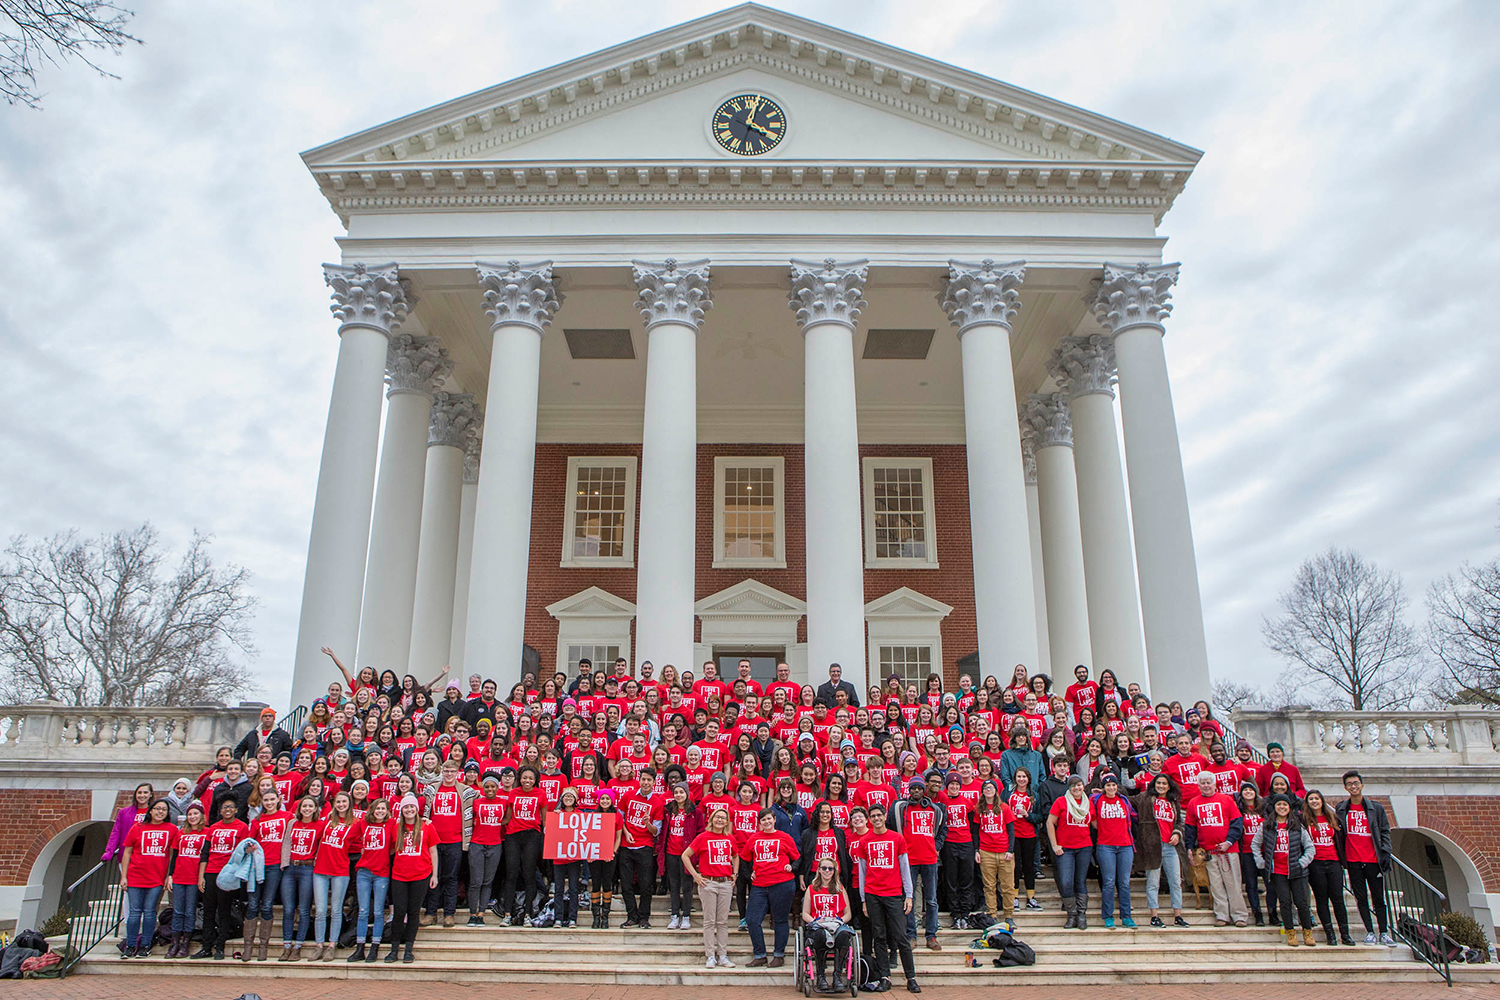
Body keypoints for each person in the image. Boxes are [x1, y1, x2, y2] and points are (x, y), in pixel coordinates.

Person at [856, 804, 920, 994]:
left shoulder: (897, 838)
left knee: (901, 937)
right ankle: (885, 977)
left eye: (879, 815)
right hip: (872, 894)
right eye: (872, 816)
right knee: (879, 937)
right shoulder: (864, 841)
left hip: (893, 894)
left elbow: (904, 868)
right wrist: (863, 900)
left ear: (884, 816)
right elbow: (862, 871)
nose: (876, 819)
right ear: (869, 818)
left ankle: (911, 977)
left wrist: (909, 895)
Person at [1337, 770, 1395, 945]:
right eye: (1349, 784)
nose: (1353, 787)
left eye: (1356, 783)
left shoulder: (1375, 808)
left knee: (1379, 898)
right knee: (1360, 898)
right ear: (1345, 787)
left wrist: (1385, 852)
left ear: (1361, 785)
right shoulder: (1342, 808)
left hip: (1373, 860)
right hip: (1353, 860)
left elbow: (1385, 831)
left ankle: (1384, 931)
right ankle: (1370, 931)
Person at [1184, 771, 1247, 927]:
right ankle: (1222, 915)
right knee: (1216, 886)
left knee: (1233, 884)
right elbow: (1191, 827)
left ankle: (1239, 915)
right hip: (1209, 853)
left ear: (1214, 784)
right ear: (1198, 785)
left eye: (1208, 782)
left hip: (1228, 851)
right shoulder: (1193, 803)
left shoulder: (1226, 800)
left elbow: (1237, 823)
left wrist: (1229, 841)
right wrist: (1190, 847)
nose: (1206, 786)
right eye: (1203, 783)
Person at [1253, 793, 1317, 947]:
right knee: (1285, 902)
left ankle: (1307, 933)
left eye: (1285, 805)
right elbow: (1255, 844)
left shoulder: (1297, 826)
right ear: (1274, 807)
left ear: (1289, 808)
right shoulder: (1266, 826)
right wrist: (1262, 862)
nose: (1282, 807)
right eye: (1279, 804)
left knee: (1301, 903)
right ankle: (1290, 932)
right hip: (1277, 871)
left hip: (1297, 871)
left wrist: (1302, 862)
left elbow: (1310, 847)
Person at [890, 777, 945, 951]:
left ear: (924, 790)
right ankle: (911, 935)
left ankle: (931, 935)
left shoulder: (935, 809)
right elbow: (891, 827)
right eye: (912, 788)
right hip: (909, 860)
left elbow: (942, 829)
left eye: (919, 788)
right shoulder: (901, 809)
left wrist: (936, 846)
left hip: (930, 859)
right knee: (909, 898)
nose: (916, 791)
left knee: (932, 900)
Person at [741, 807, 800, 967]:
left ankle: (779, 955)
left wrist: (792, 867)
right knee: (752, 920)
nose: (767, 822)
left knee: (780, 919)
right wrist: (748, 874)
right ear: (759, 823)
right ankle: (760, 954)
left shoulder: (785, 837)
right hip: (759, 885)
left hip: (782, 883)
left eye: (769, 819)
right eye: (763, 820)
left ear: (774, 820)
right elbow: (744, 858)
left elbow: (797, 858)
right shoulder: (753, 839)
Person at [192, 798, 250, 960]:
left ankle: (220, 947)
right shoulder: (213, 828)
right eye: (225, 807)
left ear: (236, 810)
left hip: (228, 874)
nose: (228, 809)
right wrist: (201, 877)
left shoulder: (242, 827)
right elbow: (205, 853)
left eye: (231, 807)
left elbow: (243, 852)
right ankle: (206, 947)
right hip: (211, 872)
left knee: (224, 911)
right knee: (208, 911)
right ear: (220, 810)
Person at [120, 797, 177, 959]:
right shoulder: (137, 828)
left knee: (150, 912)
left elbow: (172, 855)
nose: (160, 812)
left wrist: (168, 876)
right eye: (157, 808)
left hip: (156, 878)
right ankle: (130, 945)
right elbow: (127, 852)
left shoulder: (171, 829)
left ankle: (145, 945)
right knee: (134, 913)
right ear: (150, 811)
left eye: (164, 810)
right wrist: (124, 876)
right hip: (135, 876)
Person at [684, 806, 737, 968]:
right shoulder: (703, 837)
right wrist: (696, 875)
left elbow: (735, 856)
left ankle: (722, 955)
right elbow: (685, 855)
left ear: (727, 822)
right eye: (717, 817)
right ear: (711, 819)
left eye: (723, 818)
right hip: (708, 882)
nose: (720, 820)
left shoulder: (730, 838)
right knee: (709, 921)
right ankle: (710, 956)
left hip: (725, 883)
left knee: (722, 922)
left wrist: (735, 873)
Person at [389, 793, 439, 963]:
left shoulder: (427, 826)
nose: (409, 810)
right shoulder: (395, 827)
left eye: (412, 807)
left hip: (421, 874)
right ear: (401, 810)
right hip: (399, 875)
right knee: (399, 912)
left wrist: (435, 874)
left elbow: (433, 851)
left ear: (417, 809)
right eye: (406, 807)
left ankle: (408, 949)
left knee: (413, 912)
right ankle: (394, 949)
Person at [1134, 773, 1187, 928]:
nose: (1161, 786)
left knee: (1176, 882)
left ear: (1169, 786)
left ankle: (1178, 915)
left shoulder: (1173, 802)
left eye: (1164, 783)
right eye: (1158, 783)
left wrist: (1177, 833)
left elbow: (1179, 822)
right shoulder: (1145, 798)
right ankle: (1154, 916)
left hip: (1171, 846)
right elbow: (1126, 798)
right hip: (1152, 847)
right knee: (1153, 883)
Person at [312, 790, 358, 961]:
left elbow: (362, 841)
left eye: (344, 802)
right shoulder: (326, 820)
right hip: (321, 870)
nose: (341, 805)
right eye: (338, 802)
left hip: (340, 870)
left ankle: (331, 945)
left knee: (337, 909)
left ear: (349, 804)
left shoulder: (354, 823)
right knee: (321, 910)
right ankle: (318, 945)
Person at [1303, 789, 1353, 945]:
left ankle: (1345, 934)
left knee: (1338, 899)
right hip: (1315, 863)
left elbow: (1340, 839)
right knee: (1321, 899)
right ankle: (1329, 933)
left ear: (1322, 801)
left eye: (1317, 798)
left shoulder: (1332, 818)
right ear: (1307, 802)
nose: (1314, 801)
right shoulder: (1305, 820)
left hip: (1333, 862)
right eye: (1311, 799)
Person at [245, 788, 290, 961]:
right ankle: (248, 947)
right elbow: (249, 843)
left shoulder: (287, 817)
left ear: (279, 799)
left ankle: (263, 946)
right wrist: (251, 848)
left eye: (272, 799)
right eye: (266, 800)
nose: (269, 803)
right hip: (257, 866)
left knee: (267, 904)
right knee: (252, 904)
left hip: (275, 866)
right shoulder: (257, 820)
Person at [802, 854, 857, 993]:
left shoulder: (840, 889)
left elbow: (848, 914)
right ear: (819, 870)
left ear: (834, 871)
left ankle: (837, 976)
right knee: (819, 934)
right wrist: (816, 922)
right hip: (818, 926)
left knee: (844, 934)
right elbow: (805, 914)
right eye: (824, 868)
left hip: (836, 924)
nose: (827, 871)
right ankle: (821, 976)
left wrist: (838, 921)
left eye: (830, 869)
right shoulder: (811, 888)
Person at [617, 767, 664, 928]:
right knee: (626, 884)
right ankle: (632, 916)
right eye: (643, 779)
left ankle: (644, 917)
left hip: (645, 847)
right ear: (639, 779)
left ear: (654, 782)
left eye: (649, 780)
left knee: (646, 884)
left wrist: (647, 823)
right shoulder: (628, 796)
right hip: (626, 845)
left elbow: (656, 830)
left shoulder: (657, 802)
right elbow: (619, 818)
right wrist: (626, 832)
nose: (645, 783)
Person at [351, 797, 395, 962]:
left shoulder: (391, 824)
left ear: (387, 811)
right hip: (364, 872)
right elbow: (349, 837)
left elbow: (399, 837)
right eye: (377, 809)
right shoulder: (363, 824)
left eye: (383, 809)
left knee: (378, 912)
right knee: (363, 912)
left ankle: (374, 948)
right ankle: (360, 947)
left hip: (381, 873)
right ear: (372, 810)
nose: (380, 811)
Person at [278, 795, 321, 962]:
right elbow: (286, 843)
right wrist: (284, 864)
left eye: (311, 806)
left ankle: (298, 946)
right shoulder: (292, 823)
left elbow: (319, 847)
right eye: (305, 806)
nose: (307, 809)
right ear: (299, 808)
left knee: (304, 909)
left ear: (315, 809)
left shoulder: (320, 825)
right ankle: (287, 946)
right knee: (288, 909)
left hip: (308, 868)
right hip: (290, 867)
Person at [1047, 775, 1093, 930]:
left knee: (1080, 881)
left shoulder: (1089, 804)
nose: (1077, 788)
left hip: (1084, 846)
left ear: (1083, 786)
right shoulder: (1061, 801)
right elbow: (1050, 823)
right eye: (1073, 785)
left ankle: (1081, 915)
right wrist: (1055, 845)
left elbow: (1096, 824)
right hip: (1065, 848)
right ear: (1069, 787)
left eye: (1079, 784)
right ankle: (1071, 914)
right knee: (1066, 882)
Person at [1092, 772, 1137, 928]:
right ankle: (1108, 916)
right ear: (1103, 788)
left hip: (1125, 845)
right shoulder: (1097, 800)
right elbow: (1093, 821)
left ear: (1117, 786)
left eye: (1113, 785)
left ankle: (1126, 916)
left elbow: (1131, 817)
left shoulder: (1123, 800)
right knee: (1109, 882)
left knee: (1124, 882)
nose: (1111, 788)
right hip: (1105, 845)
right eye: (1108, 785)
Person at [166, 801, 209, 958]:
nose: (192, 817)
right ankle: (175, 942)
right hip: (178, 876)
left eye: (195, 813)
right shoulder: (181, 832)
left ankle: (185, 943)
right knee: (178, 911)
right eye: (190, 814)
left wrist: (201, 878)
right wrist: (170, 875)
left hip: (194, 877)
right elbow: (175, 855)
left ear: (201, 816)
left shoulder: (207, 832)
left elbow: (206, 856)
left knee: (190, 911)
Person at [467, 771, 507, 926]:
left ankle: (481, 913)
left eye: (493, 787)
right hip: (477, 843)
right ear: (483, 788)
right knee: (476, 881)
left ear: (497, 788)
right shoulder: (477, 802)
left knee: (487, 881)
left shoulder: (503, 802)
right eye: (487, 787)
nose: (490, 789)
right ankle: (472, 913)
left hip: (495, 844)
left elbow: (507, 817)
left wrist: (496, 826)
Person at [660, 782, 701, 930]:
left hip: (687, 854)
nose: (678, 795)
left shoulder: (695, 811)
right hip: (671, 852)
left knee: (687, 886)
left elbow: (700, 833)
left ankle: (687, 916)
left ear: (687, 793)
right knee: (674, 885)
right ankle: (675, 915)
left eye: (681, 792)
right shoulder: (668, 810)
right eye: (676, 792)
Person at [974, 777, 1016, 919]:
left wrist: (1010, 850)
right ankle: (992, 915)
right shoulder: (979, 809)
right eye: (985, 789)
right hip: (986, 851)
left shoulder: (1004, 808)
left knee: (1008, 886)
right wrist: (976, 850)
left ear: (996, 791)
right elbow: (975, 831)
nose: (988, 790)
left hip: (1004, 851)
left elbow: (1011, 830)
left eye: (991, 788)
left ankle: (1009, 915)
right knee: (989, 886)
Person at [103, 783, 154, 862]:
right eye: (139, 793)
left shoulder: (155, 812)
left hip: (146, 855)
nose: (142, 795)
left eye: (145, 792)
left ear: (151, 794)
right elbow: (116, 832)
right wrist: (109, 851)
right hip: (127, 854)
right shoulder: (124, 812)